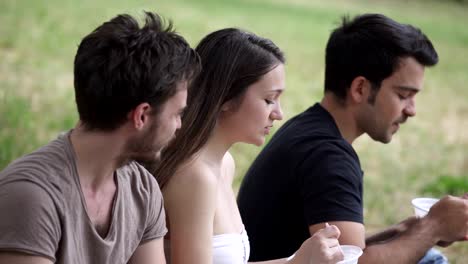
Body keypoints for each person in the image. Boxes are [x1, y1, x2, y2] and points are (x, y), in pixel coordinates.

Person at [237, 13, 468, 264]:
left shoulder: (307, 128)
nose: (411, 110)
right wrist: (433, 227)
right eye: (403, 95)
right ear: (360, 88)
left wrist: (407, 232)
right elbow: (350, 262)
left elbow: (341, 248)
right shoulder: (328, 156)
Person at [0, 11, 200, 264]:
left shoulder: (143, 190)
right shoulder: (30, 197)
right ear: (141, 115)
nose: (179, 125)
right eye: (178, 114)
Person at [151, 28, 344, 264]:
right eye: (269, 100)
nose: (279, 114)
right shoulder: (195, 176)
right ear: (226, 98)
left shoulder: (224, 163)